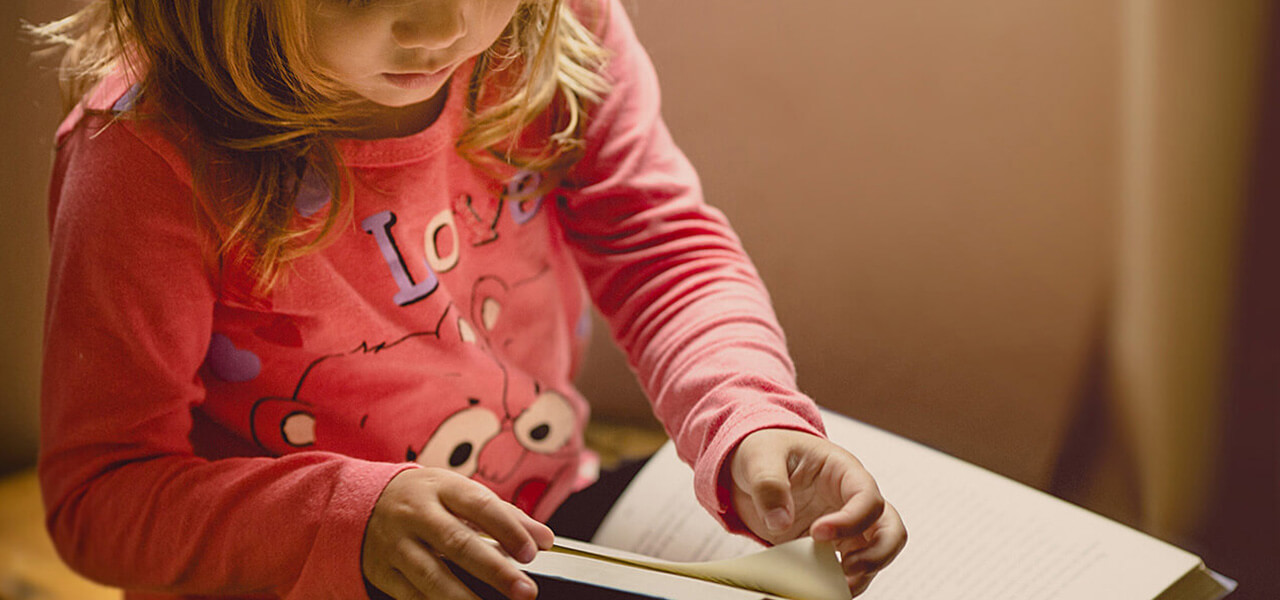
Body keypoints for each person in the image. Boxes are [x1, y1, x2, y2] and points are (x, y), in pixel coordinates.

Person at [33, 1, 907, 599]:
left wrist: (751, 417)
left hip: (548, 524)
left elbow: (659, 246)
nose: (446, 27)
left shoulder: (548, 28)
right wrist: (345, 518)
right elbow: (101, 496)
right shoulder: (144, 155)